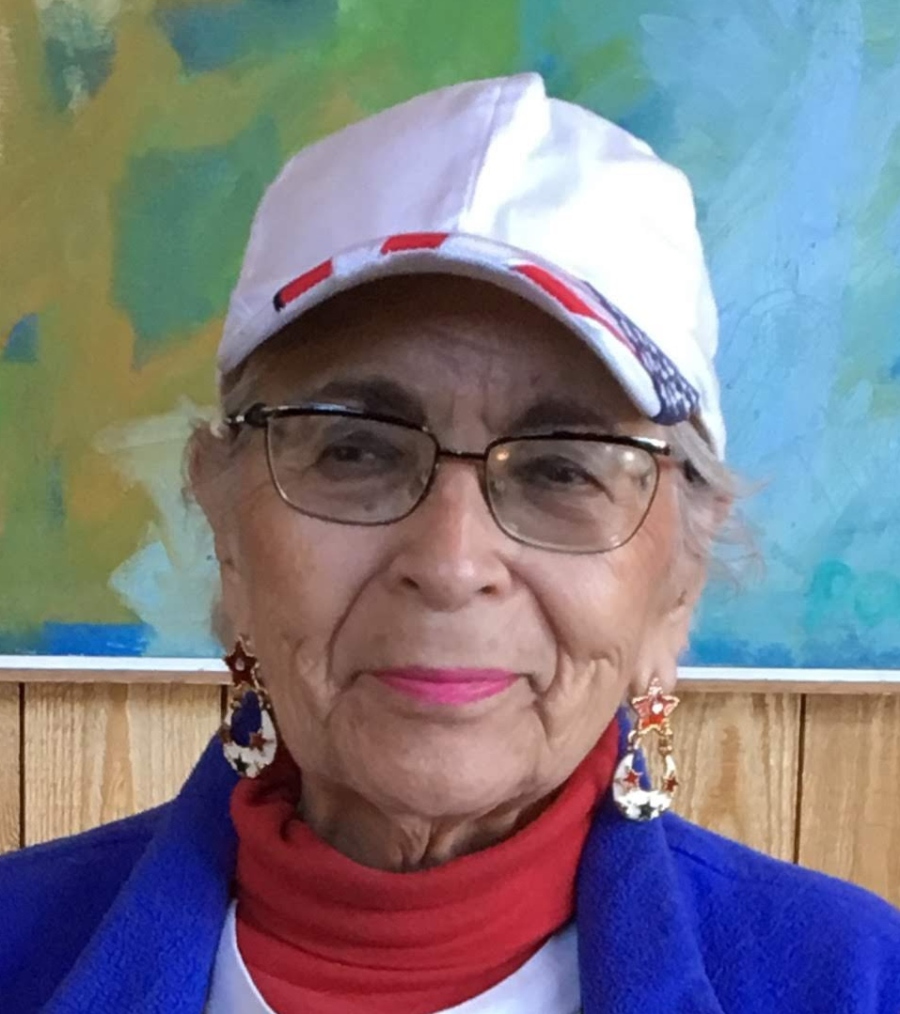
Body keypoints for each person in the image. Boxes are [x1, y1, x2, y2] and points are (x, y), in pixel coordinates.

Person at [1, 73, 898, 1014]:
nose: (451, 562)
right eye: (354, 449)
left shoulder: (856, 982)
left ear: (679, 583)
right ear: (228, 531)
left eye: (562, 470)